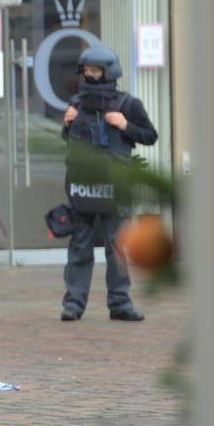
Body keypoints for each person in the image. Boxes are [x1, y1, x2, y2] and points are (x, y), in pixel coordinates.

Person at [60, 45, 158, 322]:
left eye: (95, 71)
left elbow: (150, 135)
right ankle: (73, 305)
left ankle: (120, 303)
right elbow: (71, 140)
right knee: (80, 244)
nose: (90, 76)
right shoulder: (76, 104)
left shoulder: (128, 104)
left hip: (116, 186)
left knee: (117, 245)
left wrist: (126, 125)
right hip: (83, 185)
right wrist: (67, 125)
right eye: (86, 71)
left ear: (109, 72)